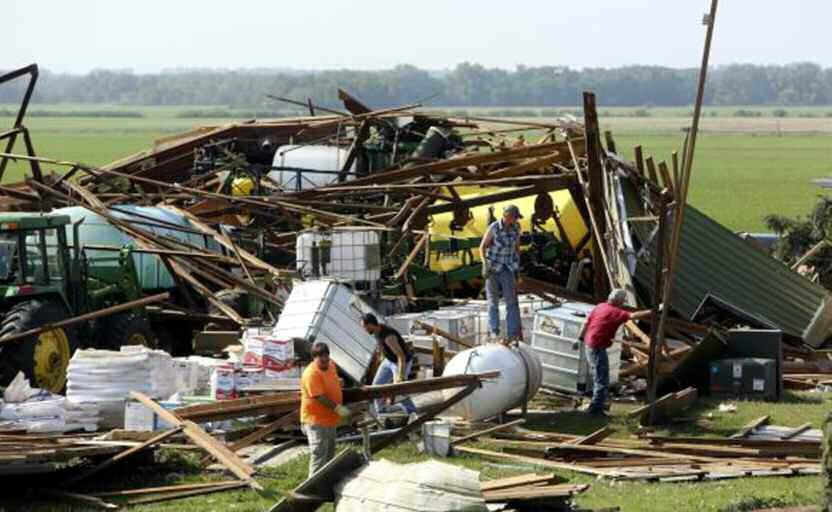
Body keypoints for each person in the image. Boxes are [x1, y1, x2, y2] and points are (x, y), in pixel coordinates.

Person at [578, 289, 656, 416]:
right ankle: (595, 411)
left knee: (600, 377)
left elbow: (586, 322)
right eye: (622, 302)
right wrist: (654, 311)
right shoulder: (616, 312)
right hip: (597, 347)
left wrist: (580, 338)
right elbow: (633, 316)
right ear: (619, 301)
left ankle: (598, 406)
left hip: (590, 344)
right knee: (602, 379)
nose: (623, 304)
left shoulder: (600, 306)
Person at [300, 342, 349, 476]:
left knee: (329, 453)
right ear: (314, 359)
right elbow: (319, 397)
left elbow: (332, 377)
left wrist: (338, 382)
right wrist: (338, 408)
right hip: (315, 420)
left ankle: (325, 482)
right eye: (321, 360)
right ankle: (312, 488)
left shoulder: (331, 365)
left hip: (330, 419)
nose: (325, 362)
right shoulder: (311, 374)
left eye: (326, 358)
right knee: (319, 454)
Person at [479, 204, 523, 342]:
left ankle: (512, 334)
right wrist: (485, 264)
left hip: (508, 268)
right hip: (492, 268)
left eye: (516, 218)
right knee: (493, 301)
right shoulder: (494, 228)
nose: (515, 220)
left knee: (512, 302)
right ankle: (494, 332)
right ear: (506, 216)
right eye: (513, 218)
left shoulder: (516, 228)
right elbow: (482, 247)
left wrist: (517, 270)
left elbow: (516, 248)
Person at [361, 313, 416, 416]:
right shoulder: (376, 331)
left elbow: (401, 356)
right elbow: (382, 347)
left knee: (399, 388)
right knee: (376, 387)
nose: (364, 329)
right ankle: (382, 410)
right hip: (388, 361)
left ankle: (411, 411)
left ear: (370, 325)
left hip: (401, 362)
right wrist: (380, 360)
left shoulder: (388, 336)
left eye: (365, 327)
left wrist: (400, 376)